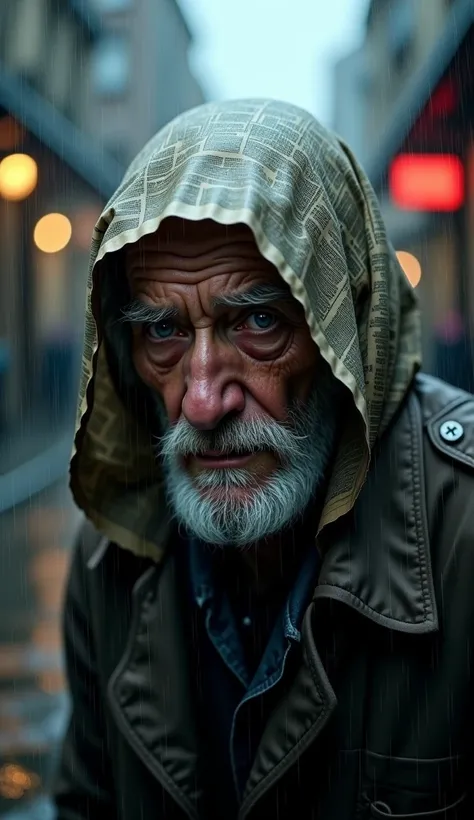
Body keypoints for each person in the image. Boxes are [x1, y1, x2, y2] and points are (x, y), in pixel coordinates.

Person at [53, 99, 474, 820]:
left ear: (346, 329)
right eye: (163, 330)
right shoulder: (110, 559)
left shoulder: (462, 527)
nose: (203, 400)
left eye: (260, 321)